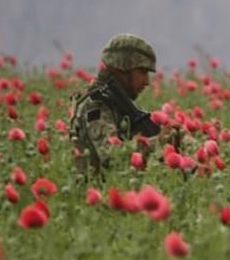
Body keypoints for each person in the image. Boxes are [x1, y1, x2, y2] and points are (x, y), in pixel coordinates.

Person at [68, 34, 179, 180]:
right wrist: (158, 143)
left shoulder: (118, 102)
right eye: (142, 72)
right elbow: (112, 156)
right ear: (123, 69)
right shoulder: (96, 105)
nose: (146, 81)